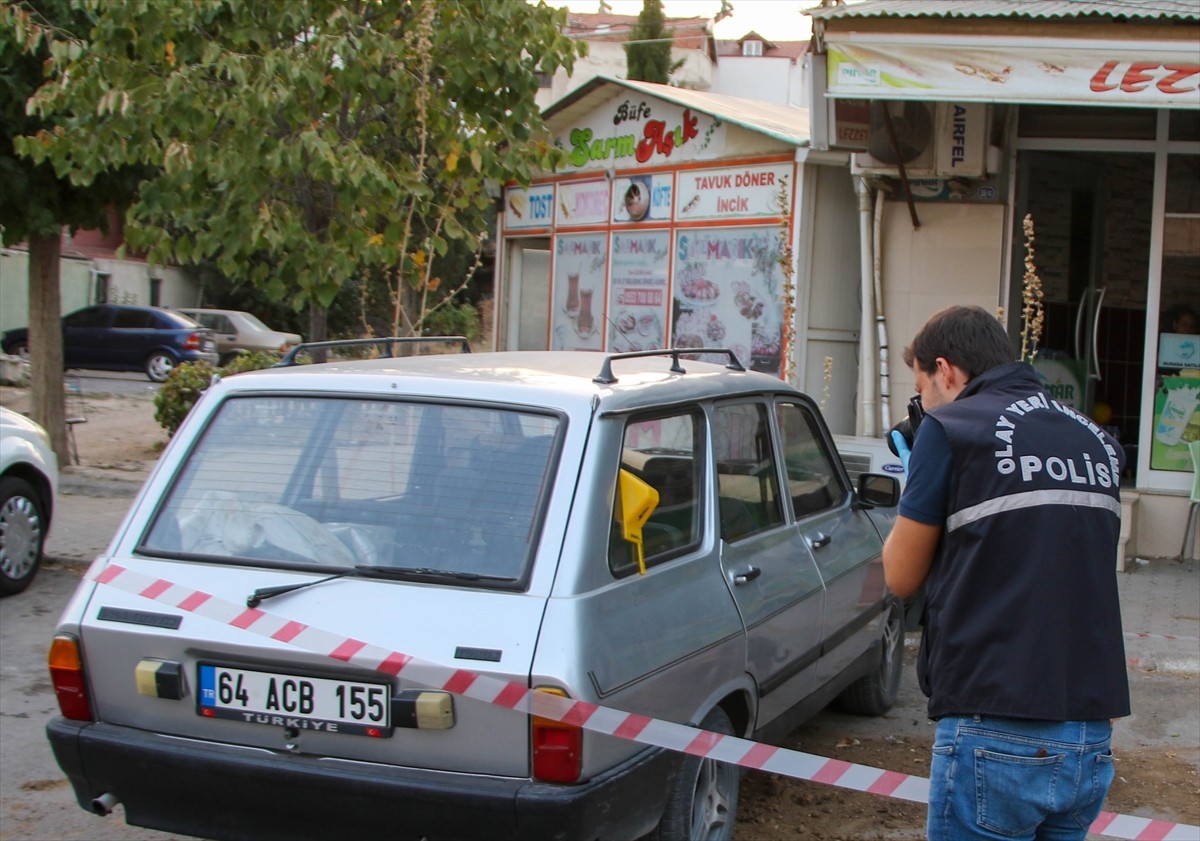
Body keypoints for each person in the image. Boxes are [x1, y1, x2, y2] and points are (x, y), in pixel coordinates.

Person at [882, 305, 1130, 841]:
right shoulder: (1098, 441)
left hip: (993, 721)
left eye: (921, 384)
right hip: (1088, 730)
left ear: (944, 371)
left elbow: (900, 577)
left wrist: (917, 479)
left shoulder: (950, 429)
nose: (922, 400)